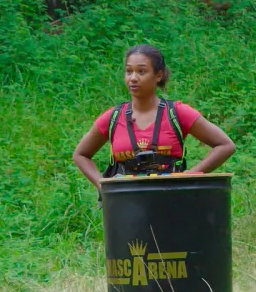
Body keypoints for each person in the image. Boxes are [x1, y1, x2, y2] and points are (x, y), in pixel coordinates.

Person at [72, 44, 236, 188]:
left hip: (173, 202)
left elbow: (225, 145)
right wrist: (103, 186)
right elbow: (80, 155)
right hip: (125, 206)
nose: (133, 78)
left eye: (141, 71)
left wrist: (191, 175)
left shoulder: (177, 113)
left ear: (158, 75)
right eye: (129, 71)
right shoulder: (113, 117)